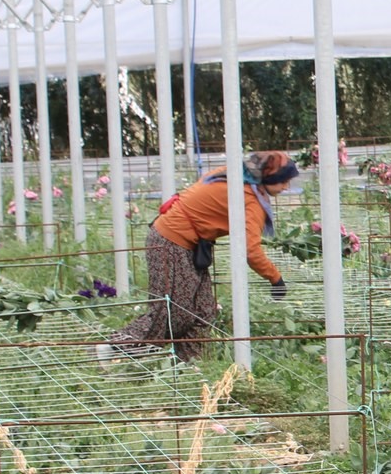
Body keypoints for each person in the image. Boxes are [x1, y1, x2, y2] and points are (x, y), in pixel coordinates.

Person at [104, 150, 297, 361]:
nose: (286, 187)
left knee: (203, 311)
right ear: (270, 177)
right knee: (171, 313)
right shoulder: (249, 199)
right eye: (283, 181)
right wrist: (275, 278)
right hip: (171, 240)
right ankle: (114, 348)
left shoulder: (231, 175)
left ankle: (184, 365)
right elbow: (250, 250)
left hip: (188, 243)